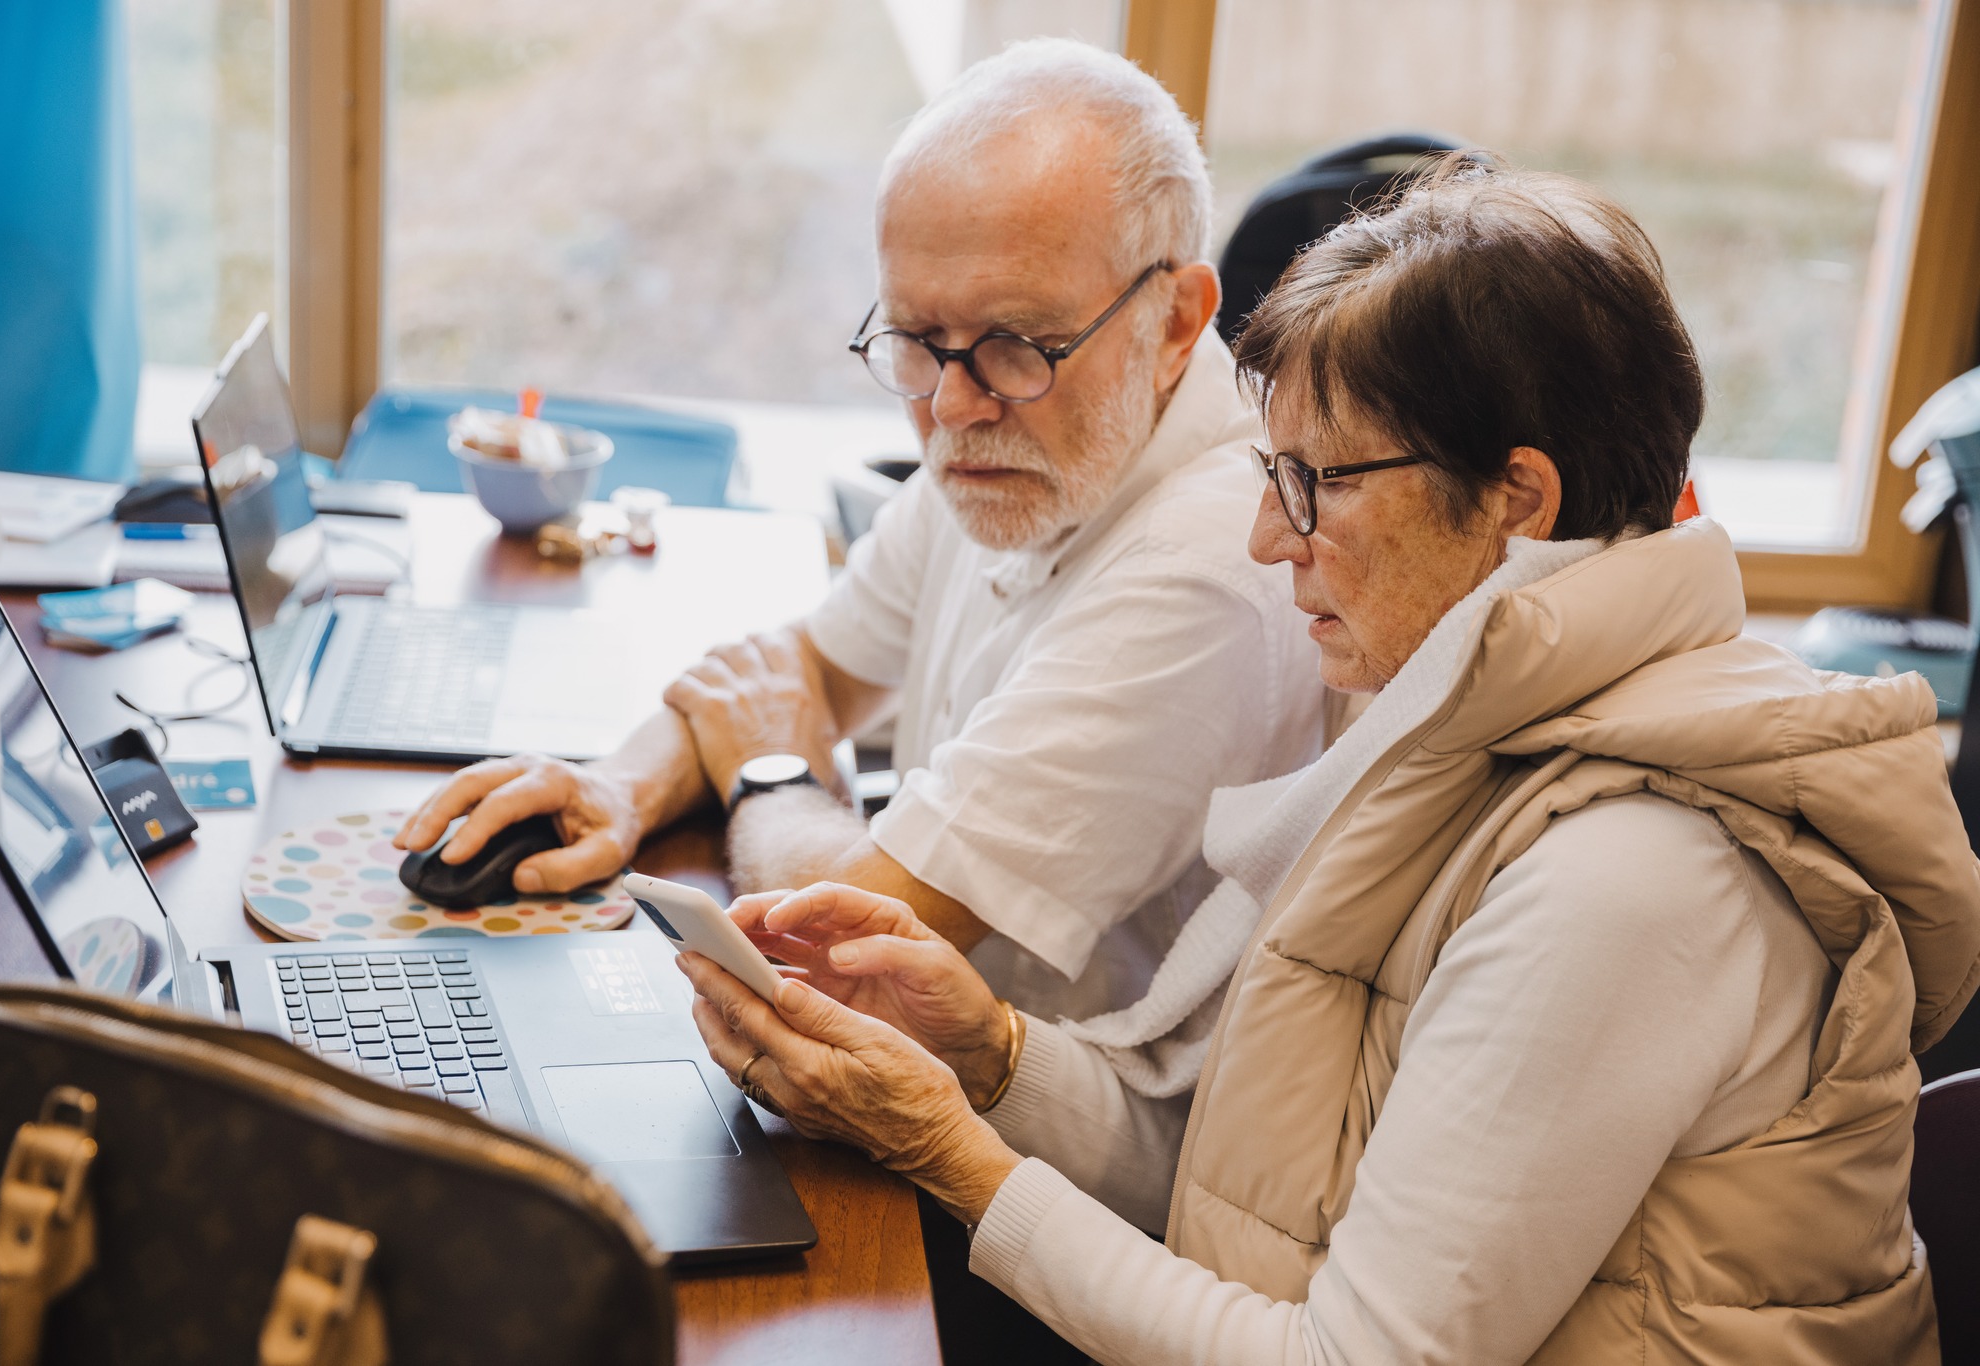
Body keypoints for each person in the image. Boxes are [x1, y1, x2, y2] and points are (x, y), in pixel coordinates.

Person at [675, 158, 1980, 1364]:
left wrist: (951, 1154)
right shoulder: (1445, 725)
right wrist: (987, 1054)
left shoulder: (1633, 875)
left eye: (1315, 482)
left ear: (1516, 504)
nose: (1265, 537)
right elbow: (1252, 1194)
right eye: (1269, 473)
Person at [394, 38, 1324, 1210]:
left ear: (1178, 318)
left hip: (1068, 1198)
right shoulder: (1012, 429)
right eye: (914, 340)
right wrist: (621, 785)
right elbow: (804, 666)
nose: (951, 407)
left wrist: (769, 770)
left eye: (1014, 344)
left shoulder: (1213, 566)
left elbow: (836, 947)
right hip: (926, 1097)